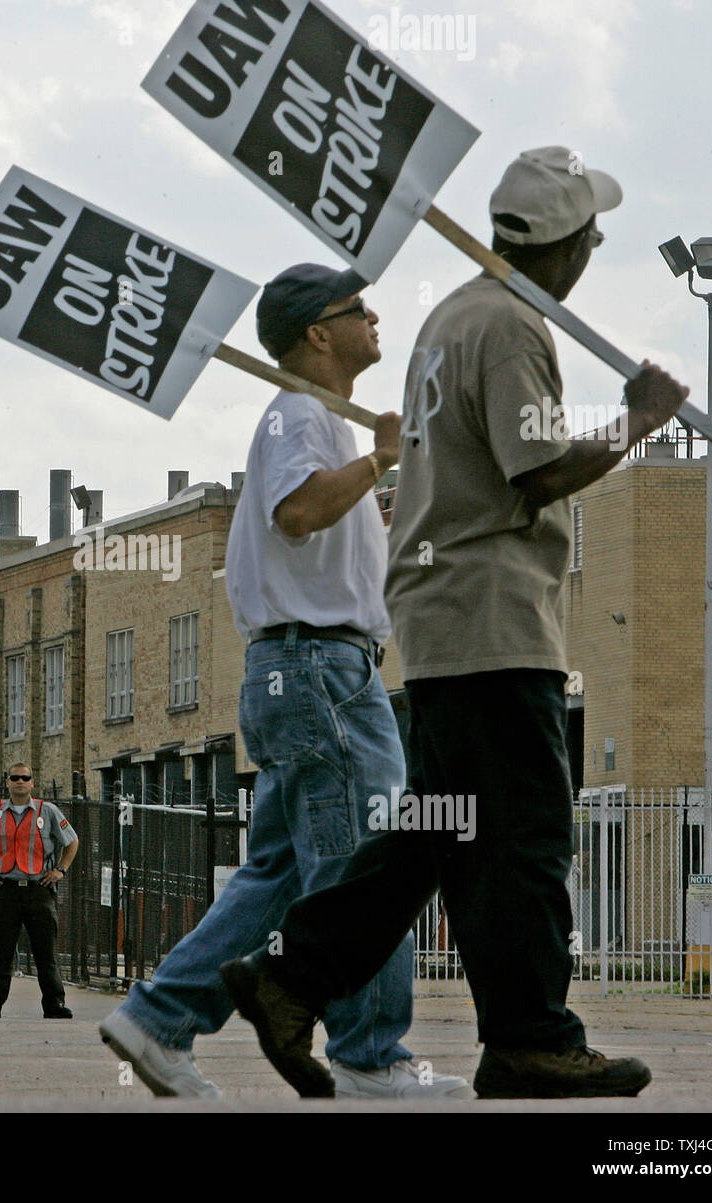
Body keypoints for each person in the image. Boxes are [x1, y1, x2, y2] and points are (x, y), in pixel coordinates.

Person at [221, 147, 690, 1099]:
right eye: (592, 230)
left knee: (435, 835)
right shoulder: (512, 326)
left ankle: (289, 978)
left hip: (442, 625)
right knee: (524, 838)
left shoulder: (449, 319)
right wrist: (637, 422)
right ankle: (530, 1037)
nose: (598, 241)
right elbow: (539, 467)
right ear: (568, 244)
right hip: (494, 619)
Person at [98, 264, 470, 1100]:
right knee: (366, 864)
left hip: (302, 671)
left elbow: (325, 532)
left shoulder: (317, 422)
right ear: (317, 333)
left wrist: (382, 470)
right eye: (356, 310)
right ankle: (371, 1055)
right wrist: (378, 457)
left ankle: (158, 1017)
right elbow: (299, 511)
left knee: (279, 871)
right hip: (322, 672)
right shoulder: (299, 417)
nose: (376, 318)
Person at [0, 762, 79, 1018]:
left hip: (39, 889)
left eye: (24, 778)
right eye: (14, 778)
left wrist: (60, 870)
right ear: (8, 783)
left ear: (32, 782)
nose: (19, 782)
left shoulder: (47, 811)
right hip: (5, 890)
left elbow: (71, 842)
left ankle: (54, 1003)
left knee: (45, 950)